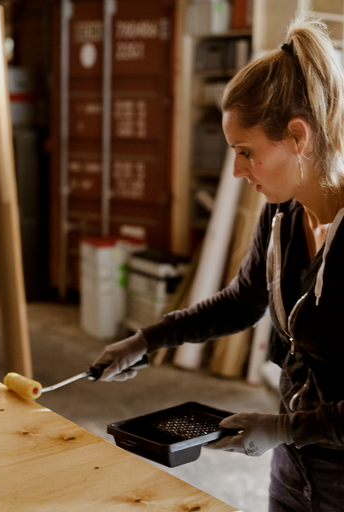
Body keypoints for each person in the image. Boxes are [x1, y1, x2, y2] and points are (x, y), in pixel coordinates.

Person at [92, 15, 344, 512]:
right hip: (294, 467)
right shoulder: (282, 214)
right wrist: (148, 340)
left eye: (246, 152)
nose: (236, 170)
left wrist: (284, 428)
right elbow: (242, 301)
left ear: (298, 136)